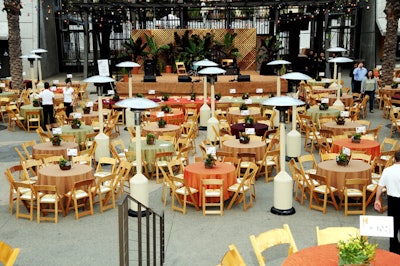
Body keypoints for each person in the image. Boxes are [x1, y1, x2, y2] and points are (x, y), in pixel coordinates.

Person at [374, 150, 400, 254]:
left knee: (393, 225)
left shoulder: (388, 171)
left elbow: (380, 187)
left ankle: (393, 249)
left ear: (394, 159)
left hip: (393, 201)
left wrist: (377, 200)